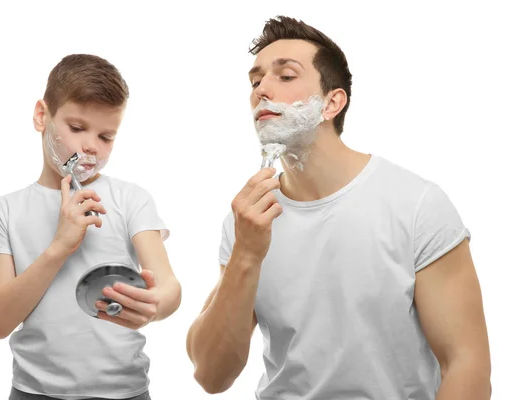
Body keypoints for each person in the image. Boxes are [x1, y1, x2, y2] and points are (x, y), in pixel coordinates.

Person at [186, 16, 491, 400]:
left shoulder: (415, 204)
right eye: (255, 80)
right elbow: (211, 375)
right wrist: (246, 254)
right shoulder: (247, 220)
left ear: (332, 102)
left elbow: (467, 362)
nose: (262, 89)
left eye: (285, 76)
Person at [0, 54, 181, 400]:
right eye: (77, 128)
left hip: (125, 391)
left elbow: (168, 284)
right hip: (33, 391)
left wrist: (156, 303)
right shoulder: (4, 212)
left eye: (106, 136)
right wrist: (59, 246)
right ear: (43, 116)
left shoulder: (131, 199)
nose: (90, 147)